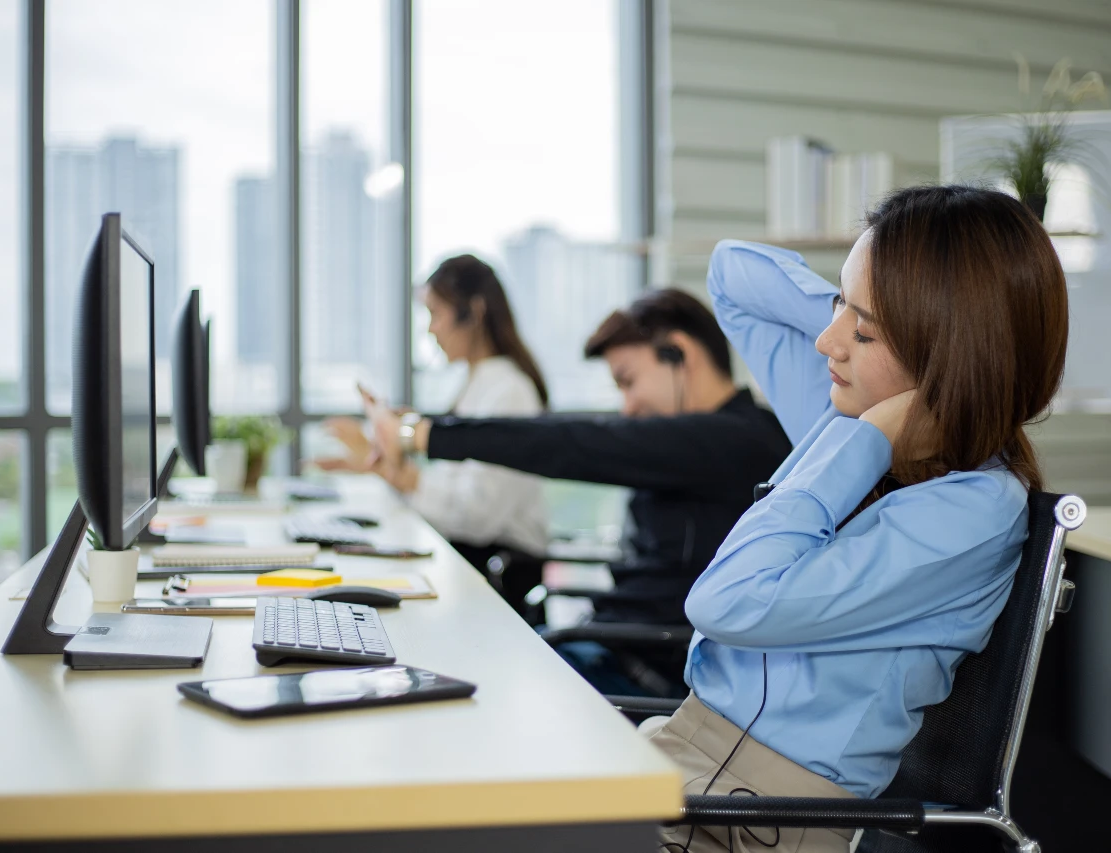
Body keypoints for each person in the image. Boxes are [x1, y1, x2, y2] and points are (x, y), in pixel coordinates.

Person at [645, 185, 1069, 853]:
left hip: (755, 824)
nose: (825, 341)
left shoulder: (974, 511)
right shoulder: (847, 395)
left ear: (946, 356)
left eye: (863, 331)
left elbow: (725, 601)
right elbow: (731, 273)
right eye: (840, 305)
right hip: (678, 763)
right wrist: (870, 307)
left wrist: (871, 431)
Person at [364, 288, 794, 696]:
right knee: (453, 660)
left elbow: (577, 443)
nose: (627, 407)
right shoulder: (705, 443)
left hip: (644, 672)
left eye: (629, 381)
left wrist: (422, 434)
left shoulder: (739, 440)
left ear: (680, 353)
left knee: (471, 680)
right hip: (610, 644)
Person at [315, 254, 550, 592]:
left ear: (475, 312)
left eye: (435, 314)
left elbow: (478, 516)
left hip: (498, 570)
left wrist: (401, 473)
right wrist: (386, 462)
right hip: (469, 561)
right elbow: (452, 488)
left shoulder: (509, 391)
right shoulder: (477, 382)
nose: (430, 328)